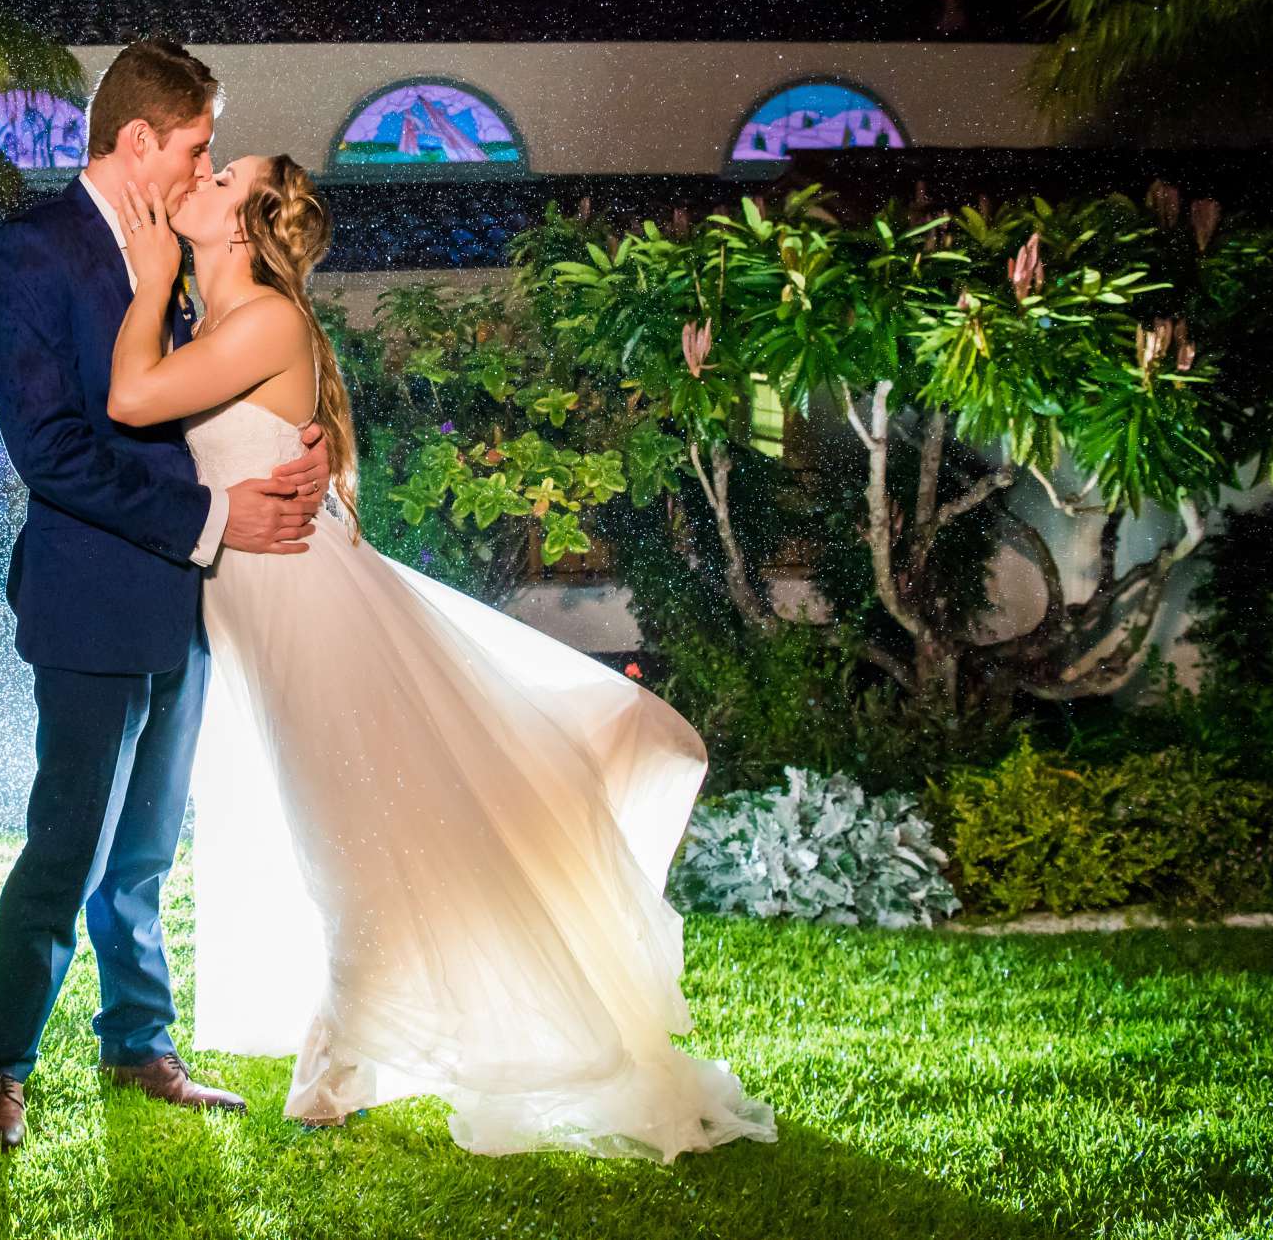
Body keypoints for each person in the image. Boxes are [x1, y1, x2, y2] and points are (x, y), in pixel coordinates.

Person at [105, 152, 779, 1161]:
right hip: (277, 610)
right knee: (344, 830)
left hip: (308, 617)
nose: (198, 178)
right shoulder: (224, 323)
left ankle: (336, 1072)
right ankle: (344, 1061)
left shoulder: (264, 324)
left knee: (351, 836)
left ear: (241, 229)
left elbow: (129, 402)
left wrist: (154, 276)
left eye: (221, 176)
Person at [0, 37, 331, 1151]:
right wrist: (218, 521)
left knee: (148, 850)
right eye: (199, 146)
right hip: (90, 601)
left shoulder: (190, 251)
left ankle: (140, 1044)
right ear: (139, 141)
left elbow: (239, 380)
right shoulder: (32, 251)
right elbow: (52, 452)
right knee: (66, 845)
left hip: (190, 604)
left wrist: (299, 449)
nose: (204, 169)